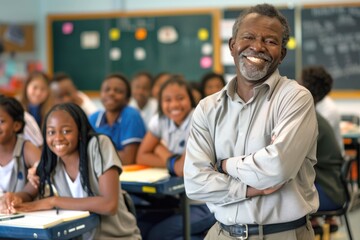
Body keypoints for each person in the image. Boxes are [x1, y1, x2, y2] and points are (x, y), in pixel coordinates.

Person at [184, 4, 319, 240]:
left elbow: (277, 168)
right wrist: (249, 188)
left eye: (270, 41)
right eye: (248, 37)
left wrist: (224, 165)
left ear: (282, 54)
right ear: (232, 45)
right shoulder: (208, 108)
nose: (257, 46)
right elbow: (195, 183)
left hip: (283, 234)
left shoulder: (295, 98)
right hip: (222, 233)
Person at [3, 103, 142, 239]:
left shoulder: (98, 145)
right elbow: (28, 192)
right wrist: (14, 198)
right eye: (51, 132)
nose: (58, 138)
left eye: (66, 131)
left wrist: (54, 201)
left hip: (117, 236)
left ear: (80, 132)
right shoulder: (52, 160)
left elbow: (109, 204)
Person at [136, 75, 215, 240]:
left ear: (191, 99)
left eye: (180, 98)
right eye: (167, 100)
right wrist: (173, 160)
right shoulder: (160, 120)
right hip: (177, 201)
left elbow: (181, 169)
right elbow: (142, 156)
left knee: (157, 234)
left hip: (203, 204)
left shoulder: (198, 119)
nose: (174, 105)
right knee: (141, 227)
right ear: (160, 102)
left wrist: (159, 149)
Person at [298, 66, 346, 233]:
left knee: (280, 197)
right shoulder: (313, 115)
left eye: (299, 82)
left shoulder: (312, 119)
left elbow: (296, 156)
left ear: (306, 88)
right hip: (330, 185)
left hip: (329, 192)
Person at [89, 73, 146, 165]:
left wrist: (94, 156)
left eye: (118, 91)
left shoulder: (131, 115)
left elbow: (128, 159)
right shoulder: (93, 118)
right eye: (107, 90)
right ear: (101, 94)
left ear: (127, 99)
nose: (111, 93)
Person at [0, 95, 40, 212]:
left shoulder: (26, 148)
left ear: (16, 126)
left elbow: (42, 170)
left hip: (21, 214)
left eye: (1, 121)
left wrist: (20, 196)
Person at [304, 66, 344, 154]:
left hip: (327, 161)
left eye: (301, 84)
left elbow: (311, 140)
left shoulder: (329, 110)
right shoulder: (311, 103)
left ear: (309, 87)